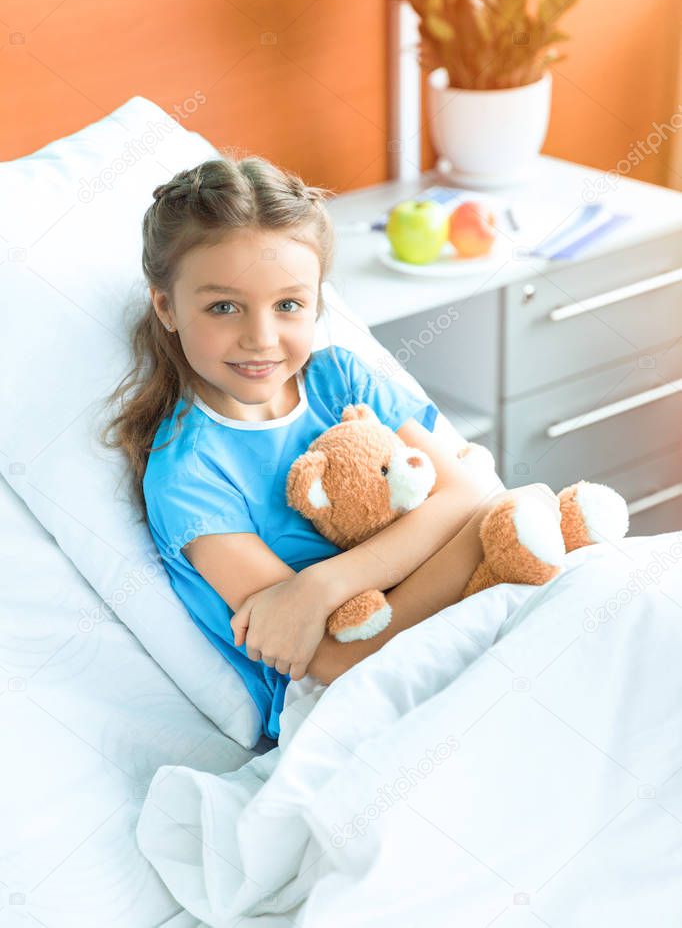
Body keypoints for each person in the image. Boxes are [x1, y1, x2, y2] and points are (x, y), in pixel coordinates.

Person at [101, 154, 557, 741]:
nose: (261, 338)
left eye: (288, 304)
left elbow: (471, 492)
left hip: (459, 615)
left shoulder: (339, 378)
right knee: (527, 517)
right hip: (347, 698)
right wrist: (484, 527)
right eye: (223, 306)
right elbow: (330, 659)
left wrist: (318, 586)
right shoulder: (189, 471)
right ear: (166, 306)